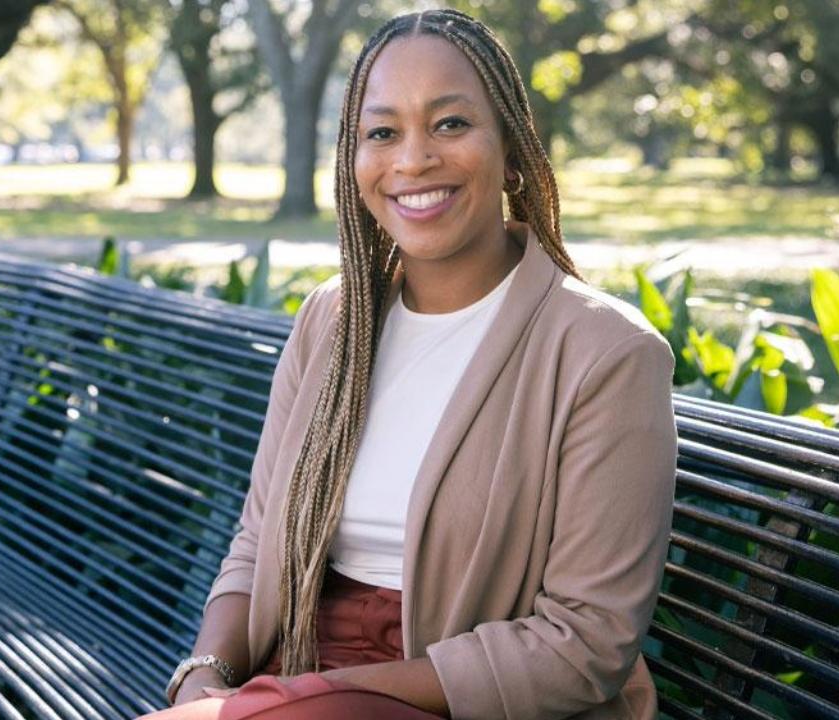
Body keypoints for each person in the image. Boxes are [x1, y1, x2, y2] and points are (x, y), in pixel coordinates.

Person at [141, 9, 677, 720]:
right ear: (352, 160)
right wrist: (205, 677)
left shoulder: (605, 353)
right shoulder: (334, 322)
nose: (412, 159)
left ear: (513, 151)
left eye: (450, 124)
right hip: (293, 681)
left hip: (450, 698)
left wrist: (315, 695)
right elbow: (256, 538)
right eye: (383, 132)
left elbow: (585, 643)